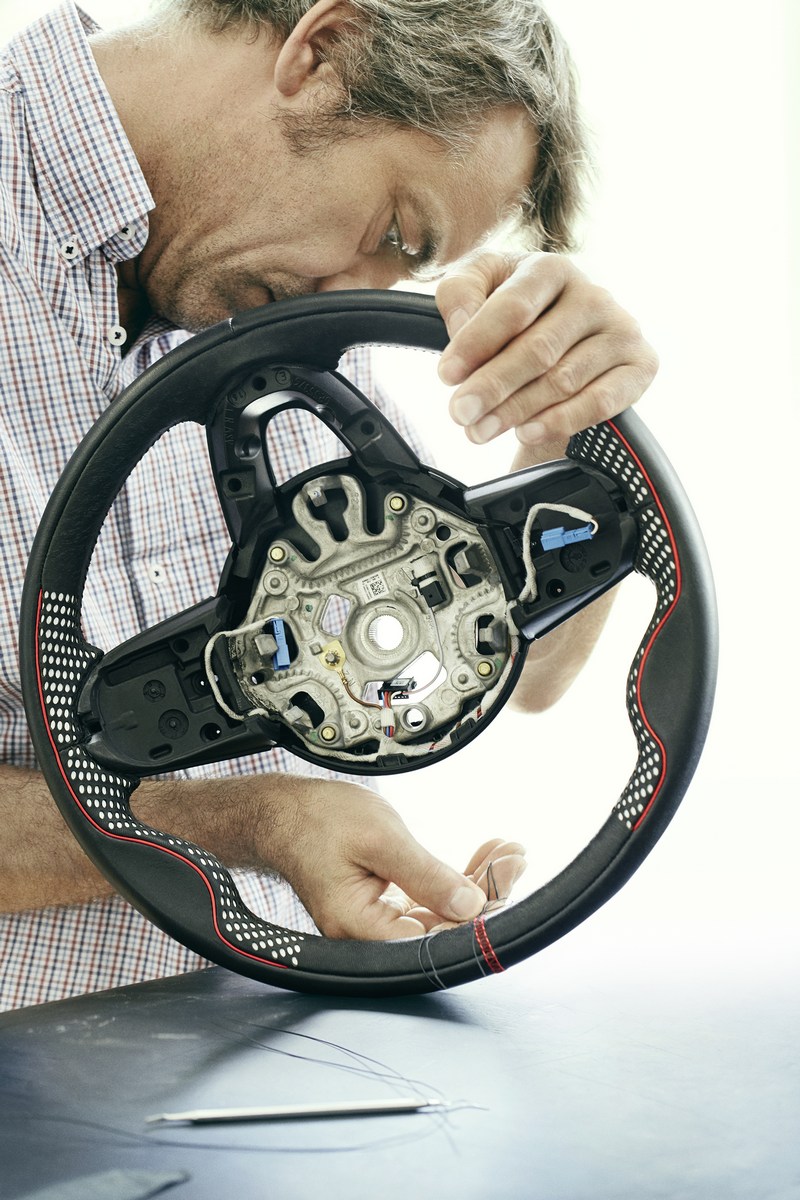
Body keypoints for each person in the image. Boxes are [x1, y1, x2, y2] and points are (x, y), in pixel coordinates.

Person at [0, 0, 658, 1009]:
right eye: (394, 232)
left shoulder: (273, 300)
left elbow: (525, 668)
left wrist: (569, 426)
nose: (357, 295)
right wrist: (256, 823)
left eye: (406, 270)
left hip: (248, 1061)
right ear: (323, 52)